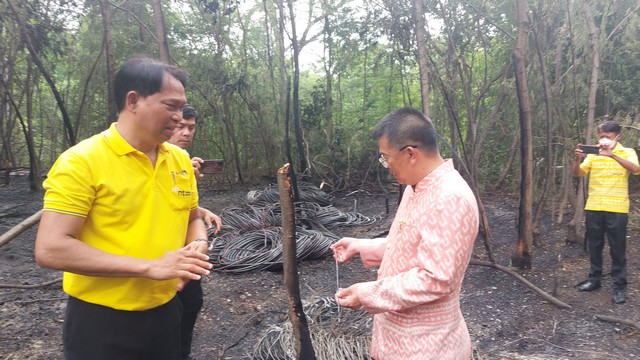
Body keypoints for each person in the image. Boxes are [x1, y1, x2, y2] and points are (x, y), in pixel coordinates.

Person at [34, 57, 213, 360]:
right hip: (101, 321)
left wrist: (198, 244)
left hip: (167, 310)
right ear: (133, 101)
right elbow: (51, 248)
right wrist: (149, 267)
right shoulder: (82, 161)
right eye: (170, 106)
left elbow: (192, 217)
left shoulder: (181, 161)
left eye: (182, 107)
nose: (178, 117)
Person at [331, 107, 479, 360]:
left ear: (410, 153)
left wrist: (368, 293)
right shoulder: (417, 187)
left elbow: (436, 279)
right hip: (398, 342)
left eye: (385, 157)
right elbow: (411, 245)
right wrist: (362, 246)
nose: (386, 165)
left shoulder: (450, 197)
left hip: (427, 347)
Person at [168, 104, 221, 359]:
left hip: (187, 260)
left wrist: (201, 212)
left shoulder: (183, 163)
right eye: (180, 127)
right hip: (158, 265)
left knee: (189, 310)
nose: (186, 133)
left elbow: (179, 205)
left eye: (191, 128)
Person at [573, 120, 639, 304]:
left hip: (617, 209)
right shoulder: (594, 154)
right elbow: (578, 174)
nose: (603, 140)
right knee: (594, 246)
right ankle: (594, 280)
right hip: (594, 206)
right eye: (601, 136)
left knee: (618, 249)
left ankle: (619, 286)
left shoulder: (628, 152)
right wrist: (578, 159)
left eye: (607, 137)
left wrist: (612, 155)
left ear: (618, 137)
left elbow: (635, 169)